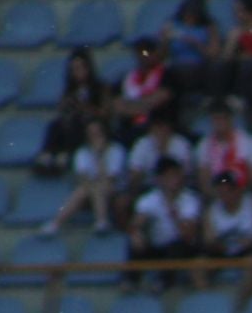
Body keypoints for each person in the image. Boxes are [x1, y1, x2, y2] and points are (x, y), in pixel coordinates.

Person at [125, 157, 202, 289]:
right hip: (156, 246)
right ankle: (130, 281)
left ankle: (163, 282)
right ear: (160, 179)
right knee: (135, 242)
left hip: (180, 248)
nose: (174, 180)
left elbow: (188, 234)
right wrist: (136, 233)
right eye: (169, 176)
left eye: (176, 175)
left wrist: (175, 214)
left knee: (178, 246)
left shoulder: (190, 200)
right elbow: (135, 224)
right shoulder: (149, 199)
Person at [201, 168, 252, 299]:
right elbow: (209, 239)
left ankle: (240, 304)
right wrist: (218, 245)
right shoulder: (212, 210)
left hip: (249, 248)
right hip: (223, 250)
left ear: (237, 189)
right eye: (220, 191)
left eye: (227, 190)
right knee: (198, 266)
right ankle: (208, 302)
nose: (224, 195)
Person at [41, 117, 125, 235]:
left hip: (113, 191)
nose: (95, 137)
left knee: (99, 187)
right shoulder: (82, 153)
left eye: (98, 133)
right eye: (92, 134)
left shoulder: (116, 151)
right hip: (89, 192)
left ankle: (102, 221)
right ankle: (55, 224)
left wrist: (99, 155)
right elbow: (83, 179)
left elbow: (110, 179)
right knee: (83, 190)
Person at [33, 47, 109, 176]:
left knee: (78, 124)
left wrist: (83, 107)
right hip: (72, 122)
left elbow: (104, 113)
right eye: (74, 69)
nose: (77, 72)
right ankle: (48, 156)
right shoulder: (70, 91)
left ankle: (66, 155)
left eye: (80, 68)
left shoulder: (100, 88)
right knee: (56, 125)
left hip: (91, 124)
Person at [161, 0, 222, 103]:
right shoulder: (172, 25)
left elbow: (214, 54)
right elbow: (162, 54)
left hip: (199, 67)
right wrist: (165, 40)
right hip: (177, 66)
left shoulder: (209, 27)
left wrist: (195, 43)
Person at [125, 112, 194, 209]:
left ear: (169, 127)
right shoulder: (142, 144)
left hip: (176, 188)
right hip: (148, 187)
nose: (160, 130)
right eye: (156, 127)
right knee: (123, 201)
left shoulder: (181, 144)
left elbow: (185, 174)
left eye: (163, 126)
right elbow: (134, 174)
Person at [113, 37, 175, 145]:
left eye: (147, 52)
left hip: (156, 129)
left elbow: (160, 99)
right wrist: (144, 105)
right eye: (140, 52)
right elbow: (118, 105)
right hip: (129, 128)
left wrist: (131, 106)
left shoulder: (166, 75)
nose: (144, 56)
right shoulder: (128, 77)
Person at [195, 98, 252, 193]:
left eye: (223, 118)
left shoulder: (249, 142)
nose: (219, 123)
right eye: (216, 119)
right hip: (216, 196)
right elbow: (204, 181)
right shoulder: (204, 145)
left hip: (242, 194)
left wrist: (235, 194)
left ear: (230, 119)